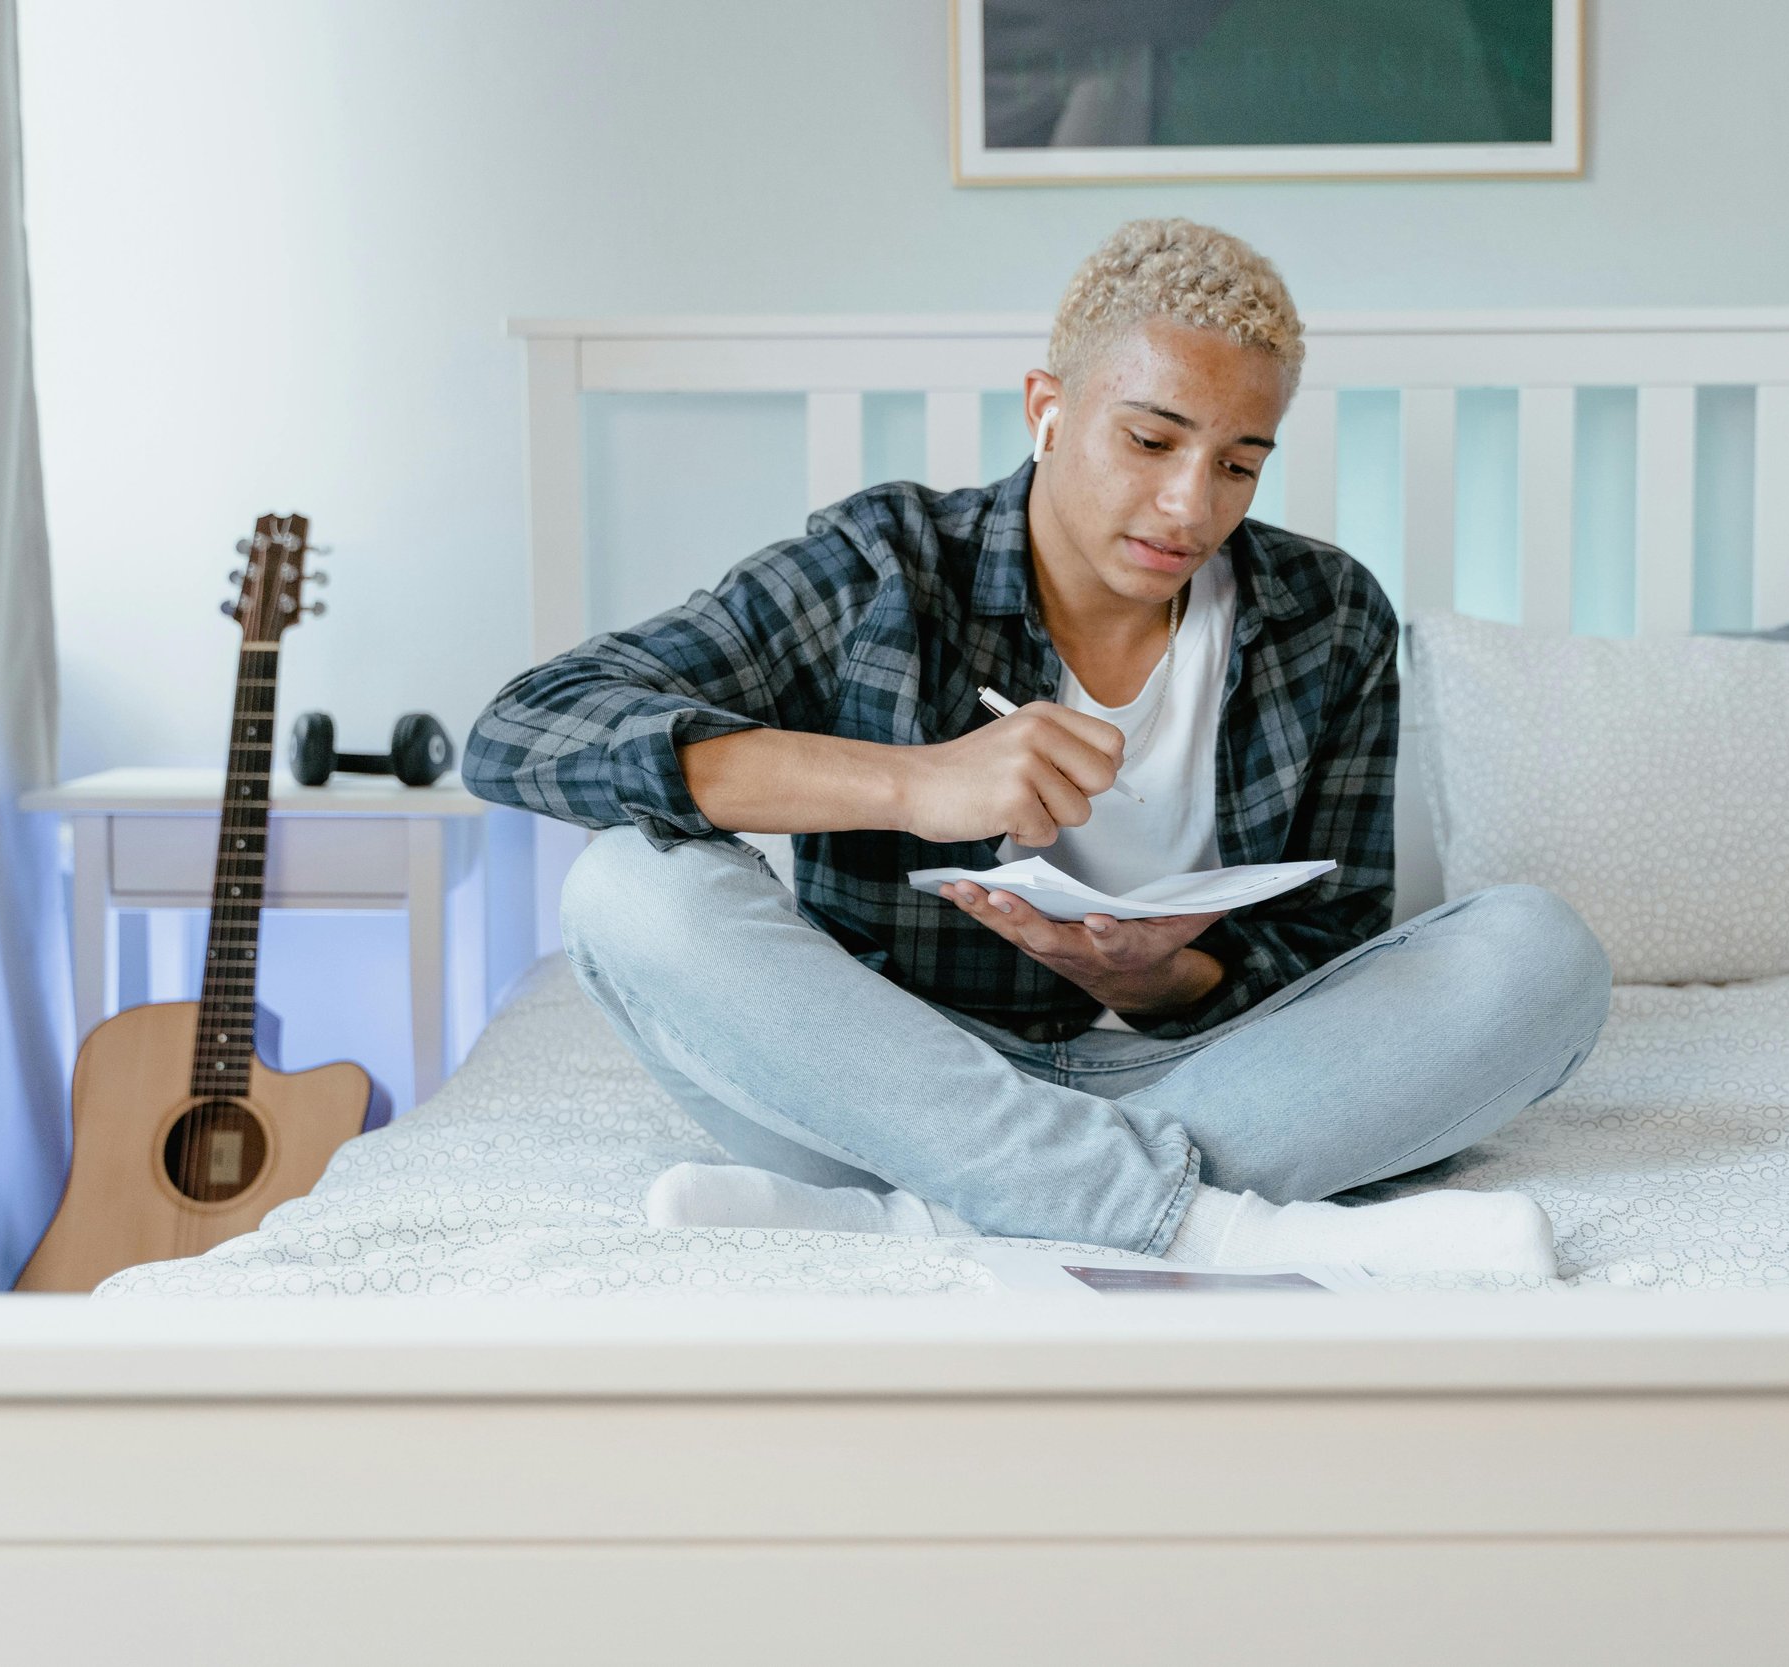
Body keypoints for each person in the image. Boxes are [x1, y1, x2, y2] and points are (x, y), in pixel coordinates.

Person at [465, 218, 1609, 1275]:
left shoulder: (1327, 614)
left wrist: (1161, 977)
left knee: (1539, 951)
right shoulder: (888, 567)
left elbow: (1331, 947)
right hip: (886, 1075)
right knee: (625, 884)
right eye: (1151, 439)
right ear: (1046, 408)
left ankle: (927, 1213)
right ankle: (1212, 1225)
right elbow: (526, 725)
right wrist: (913, 783)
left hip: (1211, 1080)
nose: (1187, 505)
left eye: (1237, 462)